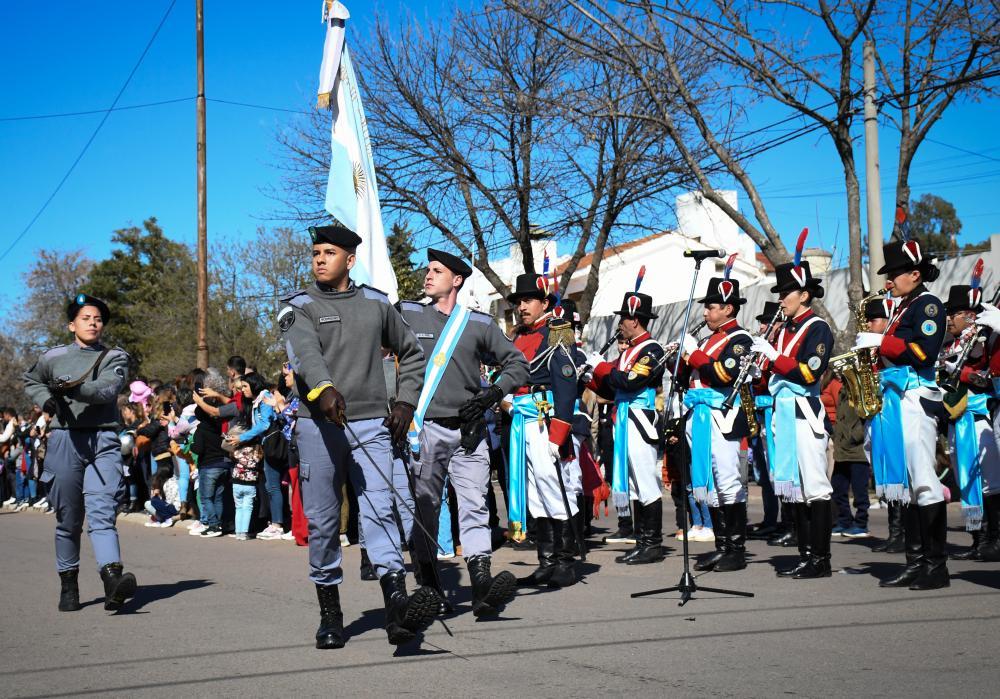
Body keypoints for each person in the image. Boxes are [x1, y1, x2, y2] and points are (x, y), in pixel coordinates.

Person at [280, 223, 436, 649]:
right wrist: (323, 389)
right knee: (324, 521)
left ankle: (397, 610)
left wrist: (405, 402)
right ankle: (330, 615)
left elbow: (412, 353)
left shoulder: (377, 303)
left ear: (350, 260)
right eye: (316, 252)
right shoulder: (298, 305)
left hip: (371, 424)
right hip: (319, 424)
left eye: (329, 253)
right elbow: (305, 354)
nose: (319, 259)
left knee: (381, 512)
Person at [399, 248, 528, 617]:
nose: (428, 276)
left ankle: (482, 586)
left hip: (469, 430)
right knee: (425, 509)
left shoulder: (478, 324)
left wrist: (494, 392)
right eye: (427, 270)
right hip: (425, 429)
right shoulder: (408, 314)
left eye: (437, 271)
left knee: (475, 506)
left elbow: (517, 363)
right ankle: (430, 587)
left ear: (456, 280)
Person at [23, 293, 137, 612]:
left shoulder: (115, 356)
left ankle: (112, 579)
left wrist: (75, 388)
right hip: (64, 439)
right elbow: (31, 380)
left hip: (103, 439)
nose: (93, 323)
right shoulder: (53, 356)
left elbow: (107, 390)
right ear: (72, 325)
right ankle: (68, 583)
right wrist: (46, 399)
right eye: (86, 318)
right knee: (68, 519)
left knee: (103, 512)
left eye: (98, 319)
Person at [857, 238, 948, 590]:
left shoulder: (928, 305)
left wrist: (882, 342)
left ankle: (936, 567)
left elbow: (924, 353)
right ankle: (915, 562)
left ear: (915, 274)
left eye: (894, 273)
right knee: (909, 485)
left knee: (923, 480)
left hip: (915, 397)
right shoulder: (903, 307)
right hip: (897, 398)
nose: (889, 280)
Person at [752, 247, 836, 580]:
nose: (781, 299)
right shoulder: (785, 329)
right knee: (796, 488)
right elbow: (777, 372)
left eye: (787, 293)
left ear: (804, 295)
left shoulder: (817, 328)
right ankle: (805, 554)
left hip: (804, 411)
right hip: (783, 411)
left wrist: (773, 357)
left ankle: (821, 558)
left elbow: (809, 372)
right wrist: (760, 366)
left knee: (815, 485)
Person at [504, 272, 582, 588]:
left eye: (528, 301)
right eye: (519, 302)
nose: (522, 307)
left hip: (545, 421)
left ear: (545, 303)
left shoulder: (558, 332)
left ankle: (565, 562)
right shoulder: (517, 338)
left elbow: (566, 384)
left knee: (553, 486)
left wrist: (558, 434)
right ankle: (546, 562)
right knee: (534, 492)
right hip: (522, 421)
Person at [673, 271, 753, 573]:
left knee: (728, 481)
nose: (705, 312)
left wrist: (693, 354)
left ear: (729, 308)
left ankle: (736, 550)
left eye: (711, 307)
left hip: (723, 416)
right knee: (713, 485)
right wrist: (678, 358)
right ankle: (722, 547)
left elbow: (723, 373)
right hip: (700, 417)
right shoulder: (708, 340)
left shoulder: (740, 339)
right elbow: (687, 378)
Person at [587, 288, 667, 565]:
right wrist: (590, 375)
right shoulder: (629, 351)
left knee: (645, 481)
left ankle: (653, 544)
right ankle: (642, 541)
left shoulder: (652, 350)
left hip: (639, 419)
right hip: (623, 418)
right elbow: (611, 387)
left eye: (623, 318)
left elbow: (630, 381)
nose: (620, 323)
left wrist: (602, 368)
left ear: (634, 320)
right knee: (633, 483)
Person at [939, 280, 1000, 561]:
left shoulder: (984, 338)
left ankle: (993, 540)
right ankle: (978, 539)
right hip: (956, 417)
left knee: (988, 479)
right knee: (965, 478)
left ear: (970, 315)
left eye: (954, 313)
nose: (949, 319)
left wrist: (961, 373)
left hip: (978, 415)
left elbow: (986, 378)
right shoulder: (950, 343)